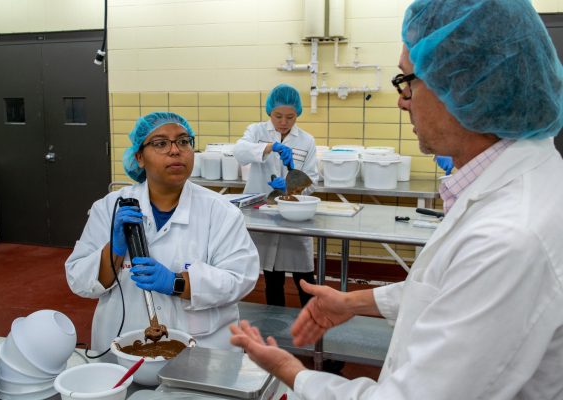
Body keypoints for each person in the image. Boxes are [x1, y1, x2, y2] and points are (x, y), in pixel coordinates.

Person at [230, 1, 563, 399]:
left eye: (407, 81)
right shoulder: (519, 182)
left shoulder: (507, 237)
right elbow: (447, 287)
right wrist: (356, 302)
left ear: (459, 85)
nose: (402, 100)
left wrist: (292, 371)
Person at [65, 112, 259, 356]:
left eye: (183, 141)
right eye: (160, 143)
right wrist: (113, 250)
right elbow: (79, 281)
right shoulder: (109, 207)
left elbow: (240, 279)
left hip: (203, 350)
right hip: (123, 345)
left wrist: (176, 282)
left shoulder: (220, 211)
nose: (175, 150)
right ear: (139, 157)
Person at [234, 84, 319, 307]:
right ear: (269, 112)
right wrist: (269, 147)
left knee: (305, 277)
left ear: (297, 114)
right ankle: (275, 324)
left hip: (294, 214)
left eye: (290, 117)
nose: (283, 122)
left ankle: (313, 320)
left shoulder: (306, 141)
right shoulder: (257, 131)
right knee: (272, 276)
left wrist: (290, 184)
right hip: (263, 212)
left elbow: (312, 179)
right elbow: (240, 152)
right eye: (277, 116)